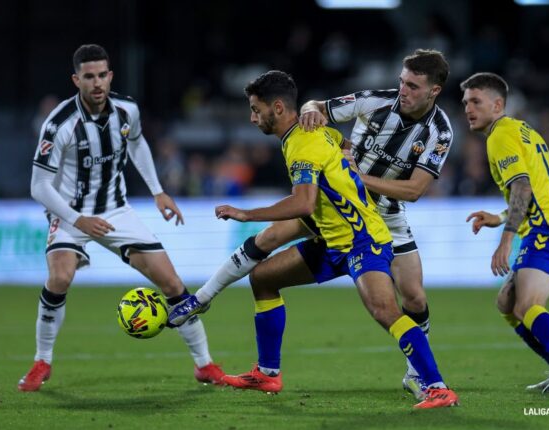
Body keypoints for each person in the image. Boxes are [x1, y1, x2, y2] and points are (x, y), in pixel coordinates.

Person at [169, 49, 453, 400]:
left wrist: (247, 213)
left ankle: (434, 385)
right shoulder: (347, 117)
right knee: (263, 276)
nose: (403, 90)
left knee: (398, 303)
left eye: (412, 86)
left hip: (366, 229)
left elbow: (309, 201)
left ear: (433, 91)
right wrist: (311, 112)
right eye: (401, 82)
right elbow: (319, 113)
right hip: (334, 221)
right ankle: (265, 371)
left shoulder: (438, 131)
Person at [19, 44, 224, 392]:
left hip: (116, 210)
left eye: (102, 75)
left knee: (172, 283)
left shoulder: (127, 110)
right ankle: (42, 361)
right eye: (89, 77)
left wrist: (158, 191)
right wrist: (77, 220)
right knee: (60, 277)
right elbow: (38, 186)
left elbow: (138, 143)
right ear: (76, 80)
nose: (97, 83)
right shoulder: (59, 124)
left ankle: (205, 365)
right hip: (70, 212)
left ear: (110, 76)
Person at [461, 72, 549, 393]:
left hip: (547, 228)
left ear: (498, 105)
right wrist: (499, 217)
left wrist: (506, 240)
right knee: (507, 303)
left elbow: (522, 187)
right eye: (465, 103)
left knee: (526, 305)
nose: (468, 109)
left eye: (476, 101)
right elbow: (533, 187)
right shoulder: (522, 129)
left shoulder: (499, 136)